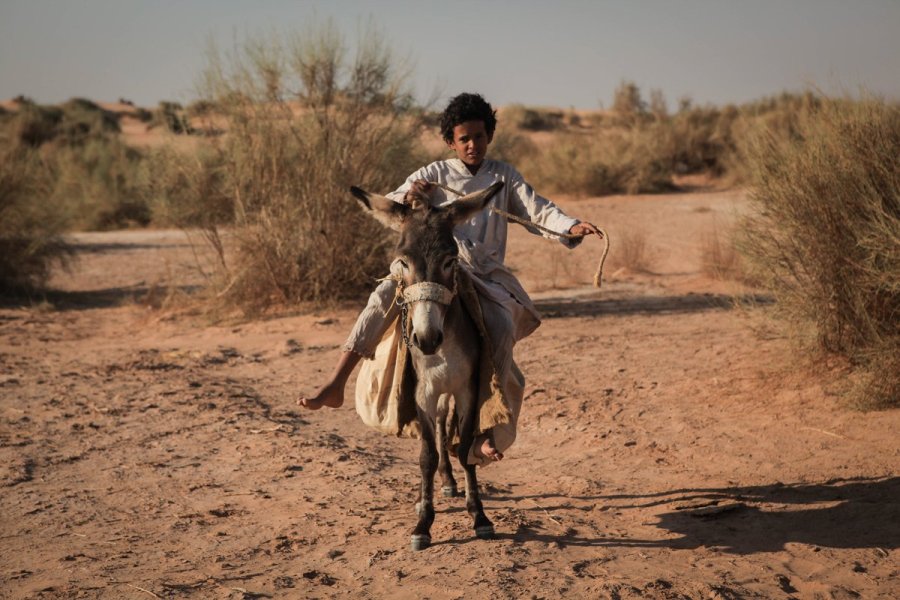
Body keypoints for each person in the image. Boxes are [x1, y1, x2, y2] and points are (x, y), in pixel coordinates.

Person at [298, 93, 601, 463]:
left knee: (501, 325)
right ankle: (336, 382)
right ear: (450, 142)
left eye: (479, 136)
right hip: (432, 269)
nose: (473, 144)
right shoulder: (432, 175)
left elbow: (538, 211)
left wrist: (571, 226)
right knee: (382, 297)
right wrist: (412, 195)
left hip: (484, 275)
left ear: (489, 135)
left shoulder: (504, 176)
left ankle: (487, 425)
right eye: (464, 139)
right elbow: (393, 203)